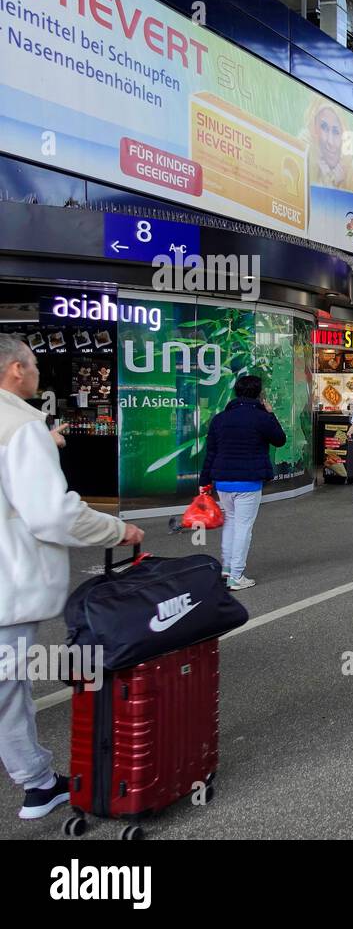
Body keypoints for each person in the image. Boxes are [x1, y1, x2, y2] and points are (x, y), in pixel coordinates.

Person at [0, 334, 143, 820]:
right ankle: (38, 783)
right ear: (16, 370)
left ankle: (37, 781)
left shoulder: (26, 428)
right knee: (7, 685)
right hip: (8, 584)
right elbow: (52, 516)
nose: (40, 371)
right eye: (35, 363)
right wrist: (116, 529)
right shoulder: (21, 426)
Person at [198, 374, 287, 591]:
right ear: (259, 394)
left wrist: (204, 480)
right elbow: (280, 439)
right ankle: (236, 576)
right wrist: (271, 413)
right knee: (243, 527)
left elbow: (211, 452)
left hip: (223, 482)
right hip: (248, 482)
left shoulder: (220, 419)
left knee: (231, 522)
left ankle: (227, 568)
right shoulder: (261, 418)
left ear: (236, 392)